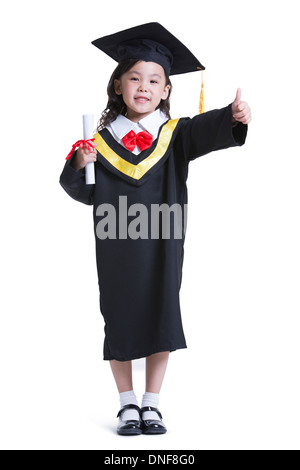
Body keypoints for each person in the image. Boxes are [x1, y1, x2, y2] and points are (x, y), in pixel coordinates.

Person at [59, 22, 251, 436]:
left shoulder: (175, 135)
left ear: (166, 90)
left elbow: (209, 129)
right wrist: (79, 163)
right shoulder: (98, 140)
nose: (143, 86)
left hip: (164, 239)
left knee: (162, 313)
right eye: (134, 77)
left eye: (154, 79)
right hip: (116, 241)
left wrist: (232, 118)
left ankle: (152, 403)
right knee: (120, 316)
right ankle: (127, 403)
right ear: (118, 85)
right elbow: (82, 190)